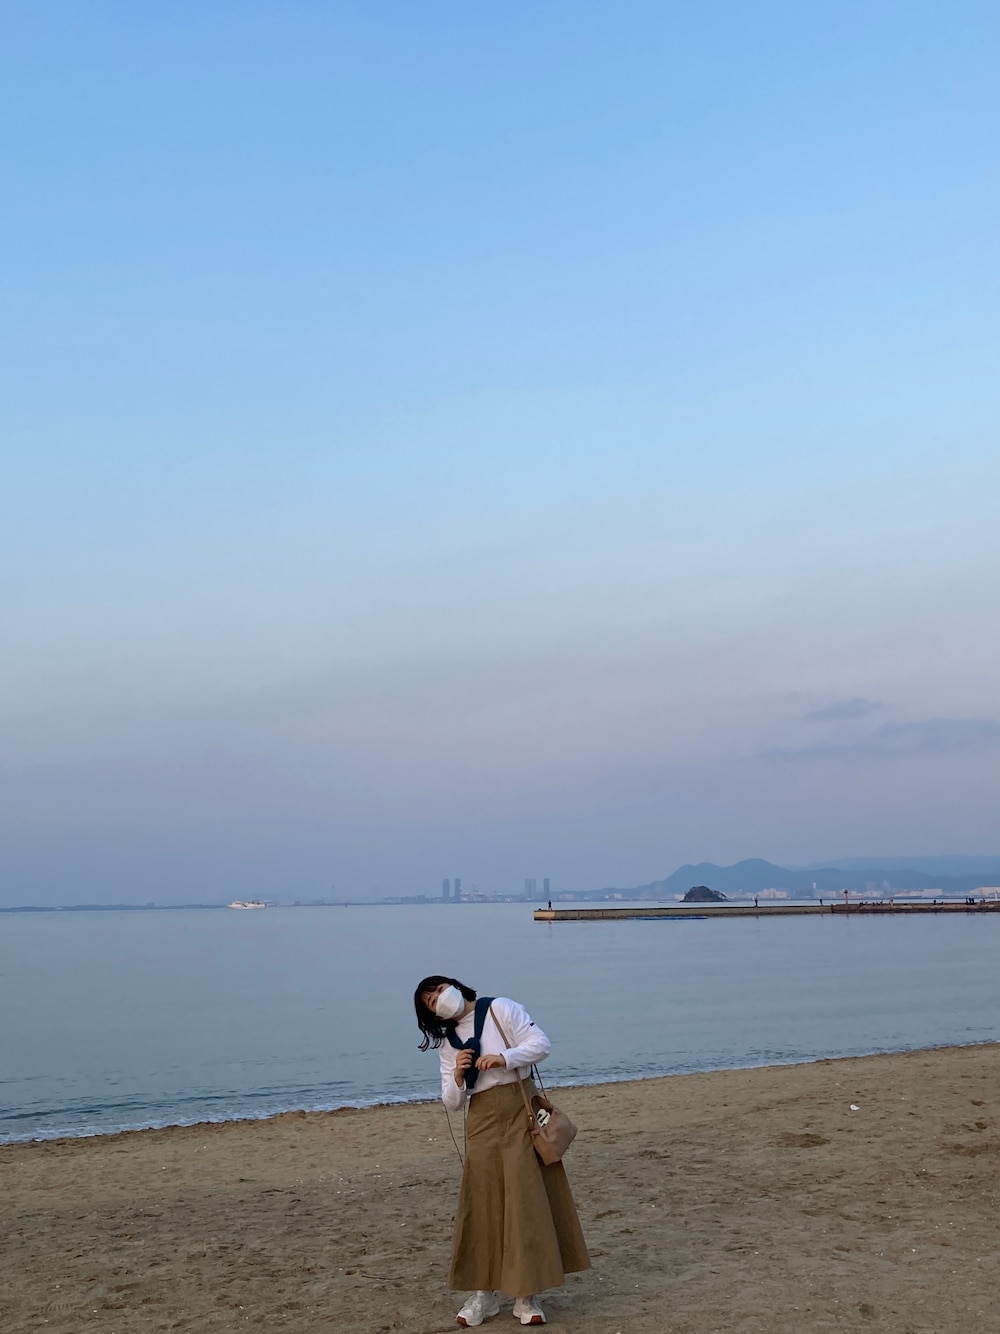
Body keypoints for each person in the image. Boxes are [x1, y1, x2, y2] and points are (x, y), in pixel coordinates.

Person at [414, 975, 590, 1328]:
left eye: (439, 990)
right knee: (483, 1203)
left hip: (520, 1110)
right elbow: (451, 1102)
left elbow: (541, 1044)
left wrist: (504, 1058)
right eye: (430, 1002)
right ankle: (484, 1295)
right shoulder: (448, 1044)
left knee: (525, 1201)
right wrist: (459, 1075)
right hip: (481, 1119)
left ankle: (526, 1295)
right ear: (432, 1016)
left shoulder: (500, 1009)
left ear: (455, 986)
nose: (438, 999)